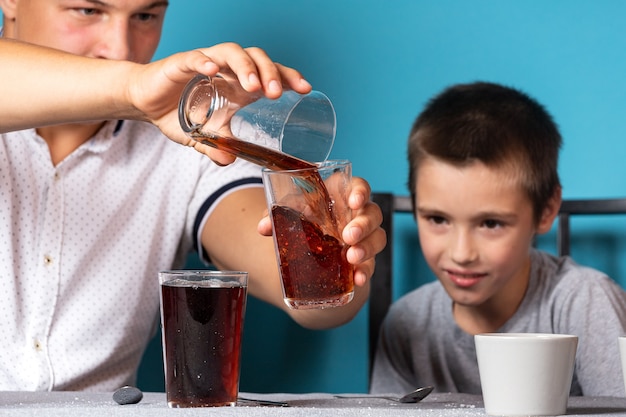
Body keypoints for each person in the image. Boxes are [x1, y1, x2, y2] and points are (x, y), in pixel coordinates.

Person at [0, 1, 386, 391]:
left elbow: (314, 302)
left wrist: (341, 250)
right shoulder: (145, 94)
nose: (120, 50)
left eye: (145, 16)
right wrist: (133, 89)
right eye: (87, 11)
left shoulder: (190, 138)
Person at [370, 81, 626, 397]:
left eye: (490, 223)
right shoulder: (406, 321)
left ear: (546, 211)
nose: (461, 253)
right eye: (438, 219)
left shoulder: (586, 302)